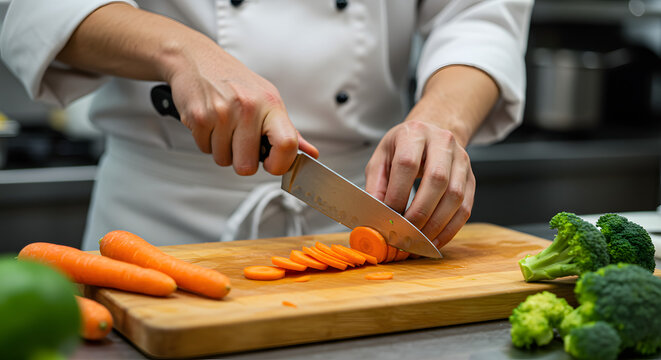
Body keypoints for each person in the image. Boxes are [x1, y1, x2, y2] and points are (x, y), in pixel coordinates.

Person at [0, 1, 533, 251]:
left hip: (360, 223)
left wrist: (440, 120)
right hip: (155, 232)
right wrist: (181, 50)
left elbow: (479, 14)